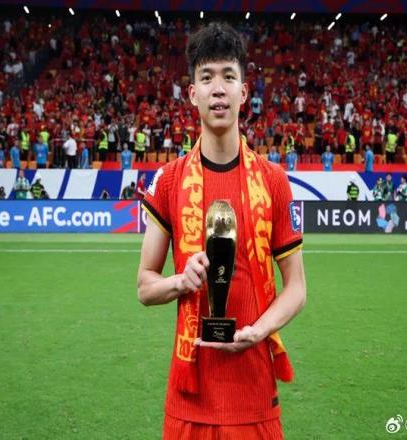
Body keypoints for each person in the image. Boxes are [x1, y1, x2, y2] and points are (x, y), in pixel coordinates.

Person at [137, 23, 306, 440]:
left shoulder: (274, 181)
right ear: (192, 93)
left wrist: (258, 331)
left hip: (253, 393)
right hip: (189, 399)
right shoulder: (169, 181)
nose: (218, 89)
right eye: (207, 77)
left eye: (228, 76)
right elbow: (145, 286)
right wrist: (180, 281)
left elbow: (297, 288)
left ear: (243, 92)